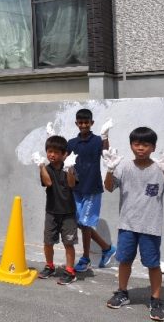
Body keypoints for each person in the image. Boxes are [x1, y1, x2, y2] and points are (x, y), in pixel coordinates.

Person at [103, 127, 164, 321]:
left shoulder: (161, 168)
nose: (141, 148)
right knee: (124, 260)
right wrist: (110, 170)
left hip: (151, 226)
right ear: (131, 146)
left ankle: (155, 299)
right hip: (127, 224)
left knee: (153, 264)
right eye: (137, 144)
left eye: (146, 144)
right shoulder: (123, 166)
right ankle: (122, 293)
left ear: (153, 147)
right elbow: (109, 188)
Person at [67, 108, 116, 272]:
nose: (83, 125)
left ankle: (85, 258)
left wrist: (105, 137)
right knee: (81, 224)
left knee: (84, 224)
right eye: (80, 122)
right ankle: (107, 248)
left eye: (86, 122)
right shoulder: (71, 143)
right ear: (76, 123)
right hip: (76, 189)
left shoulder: (97, 141)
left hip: (92, 189)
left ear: (91, 123)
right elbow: (64, 160)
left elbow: (106, 154)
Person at [33, 136, 78, 285]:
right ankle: (49, 266)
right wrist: (41, 166)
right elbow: (48, 183)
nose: (51, 155)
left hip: (68, 213)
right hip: (51, 212)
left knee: (68, 243)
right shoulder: (46, 169)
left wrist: (70, 170)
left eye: (56, 152)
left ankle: (70, 271)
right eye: (49, 151)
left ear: (64, 154)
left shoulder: (69, 167)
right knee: (48, 242)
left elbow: (72, 185)